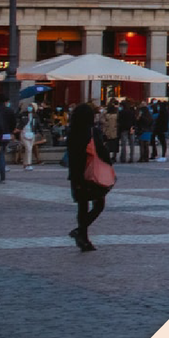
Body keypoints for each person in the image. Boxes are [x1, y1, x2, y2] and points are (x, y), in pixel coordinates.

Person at [66, 100, 111, 252]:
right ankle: (81, 233)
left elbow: (71, 156)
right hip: (92, 173)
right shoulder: (92, 132)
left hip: (77, 175)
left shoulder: (72, 132)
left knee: (82, 207)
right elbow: (102, 152)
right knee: (99, 204)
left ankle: (83, 239)